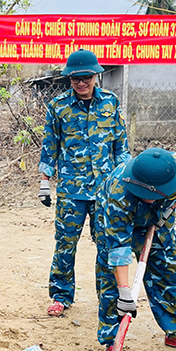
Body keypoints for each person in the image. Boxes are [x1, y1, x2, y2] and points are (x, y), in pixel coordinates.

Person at [38, 48, 129, 319]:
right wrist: (45, 181)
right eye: (76, 78)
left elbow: (121, 146)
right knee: (65, 243)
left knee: (106, 245)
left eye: (86, 77)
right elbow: (49, 146)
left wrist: (124, 180)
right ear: (69, 78)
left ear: (95, 76)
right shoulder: (58, 107)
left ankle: (108, 297)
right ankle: (61, 295)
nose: (81, 83)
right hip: (71, 189)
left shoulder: (110, 103)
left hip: (105, 191)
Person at [98, 147, 176, 351]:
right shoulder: (119, 192)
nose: (148, 199)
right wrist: (125, 291)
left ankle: (175, 331)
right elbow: (118, 248)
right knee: (111, 281)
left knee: (167, 271)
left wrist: (167, 209)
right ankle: (113, 341)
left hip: (160, 221)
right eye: (145, 196)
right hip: (117, 219)